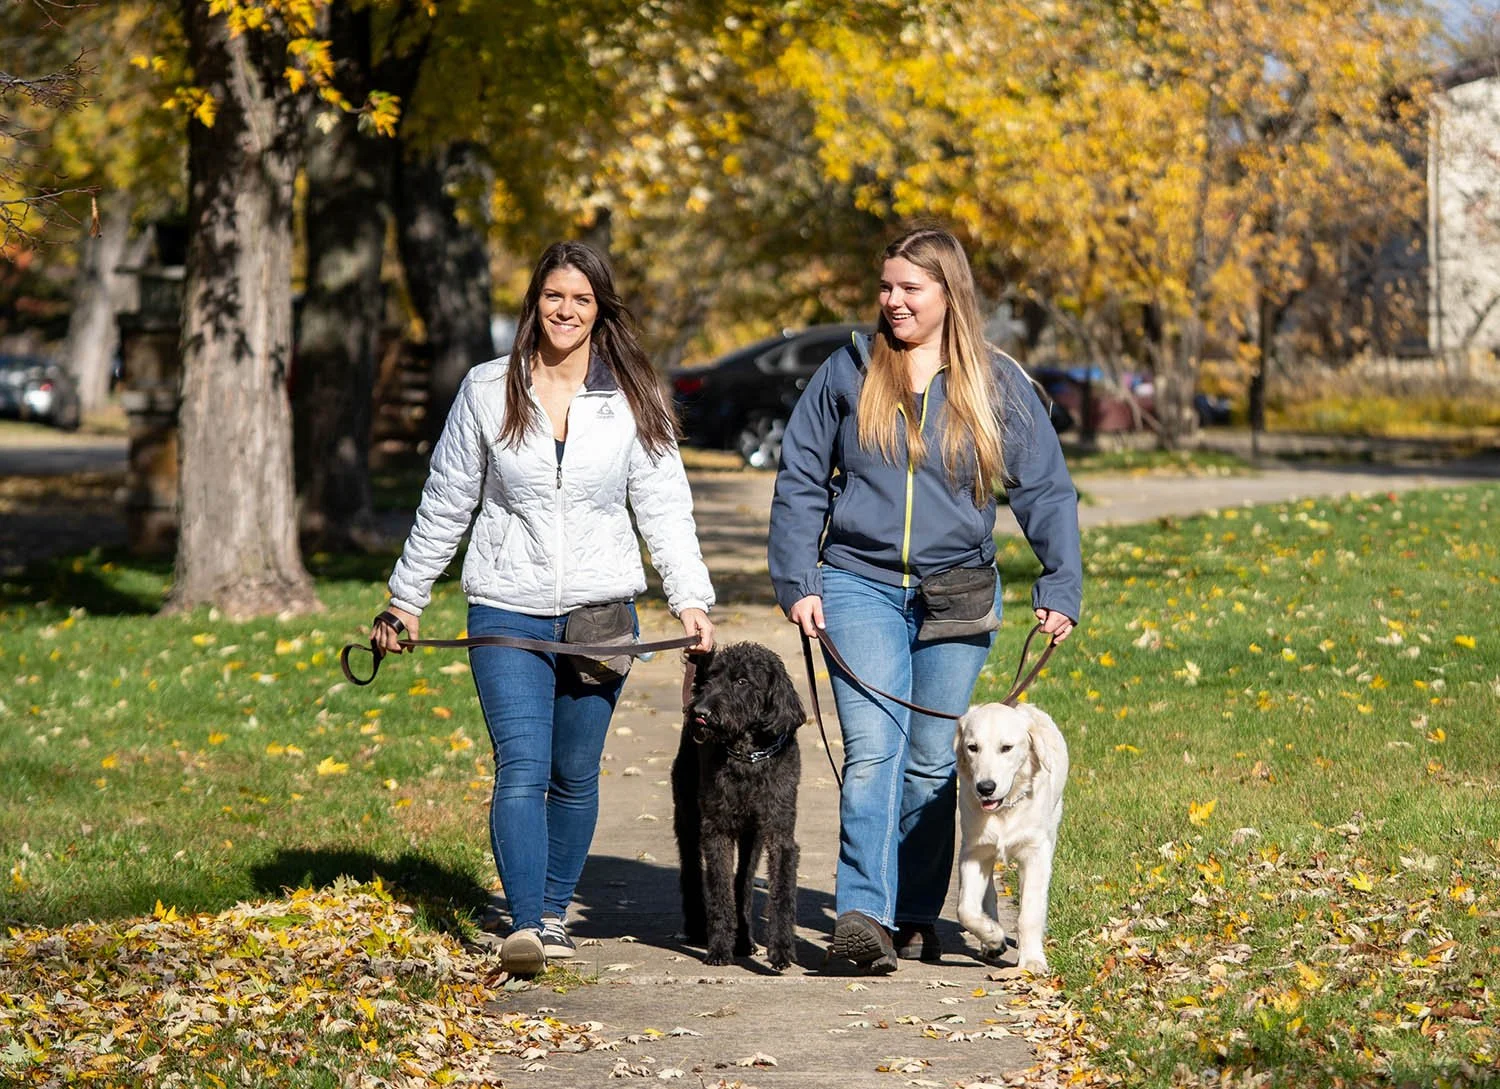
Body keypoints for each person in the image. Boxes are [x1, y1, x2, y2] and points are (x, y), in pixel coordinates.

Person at [375, 241, 716, 976]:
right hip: (505, 603)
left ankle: (556, 910)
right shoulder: (487, 388)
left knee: (575, 771)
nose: (566, 311)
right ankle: (525, 923)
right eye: (554, 296)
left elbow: (663, 504)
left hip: (600, 612)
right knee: (520, 763)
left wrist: (690, 599)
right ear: (535, 302)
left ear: (601, 310)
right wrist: (405, 600)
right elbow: (446, 502)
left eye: (582, 299)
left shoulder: (631, 395)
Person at [768, 226, 1081, 972]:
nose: (894, 300)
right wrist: (797, 578)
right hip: (858, 580)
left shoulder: (997, 381)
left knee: (930, 766)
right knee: (875, 749)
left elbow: (1044, 487)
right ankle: (865, 915)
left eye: (911, 287)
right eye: (887, 286)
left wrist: (1060, 581)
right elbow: (802, 476)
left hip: (958, 589)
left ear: (949, 293)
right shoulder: (847, 370)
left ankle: (912, 915)